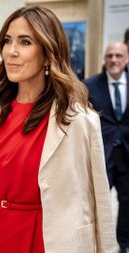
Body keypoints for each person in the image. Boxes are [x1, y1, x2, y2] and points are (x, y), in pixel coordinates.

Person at [0, 6, 118, 253]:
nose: (11, 52)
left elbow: (97, 193)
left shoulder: (77, 118)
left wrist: (106, 248)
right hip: (2, 234)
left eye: (25, 42)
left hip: (55, 239)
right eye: (7, 41)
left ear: (48, 53)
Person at [84, 42, 129, 252]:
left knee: (128, 203)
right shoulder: (91, 85)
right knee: (97, 203)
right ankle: (97, 243)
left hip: (127, 156)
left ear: (126, 58)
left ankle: (124, 243)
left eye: (119, 56)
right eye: (110, 55)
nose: (114, 60)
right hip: (102, 155)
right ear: (104, 59)